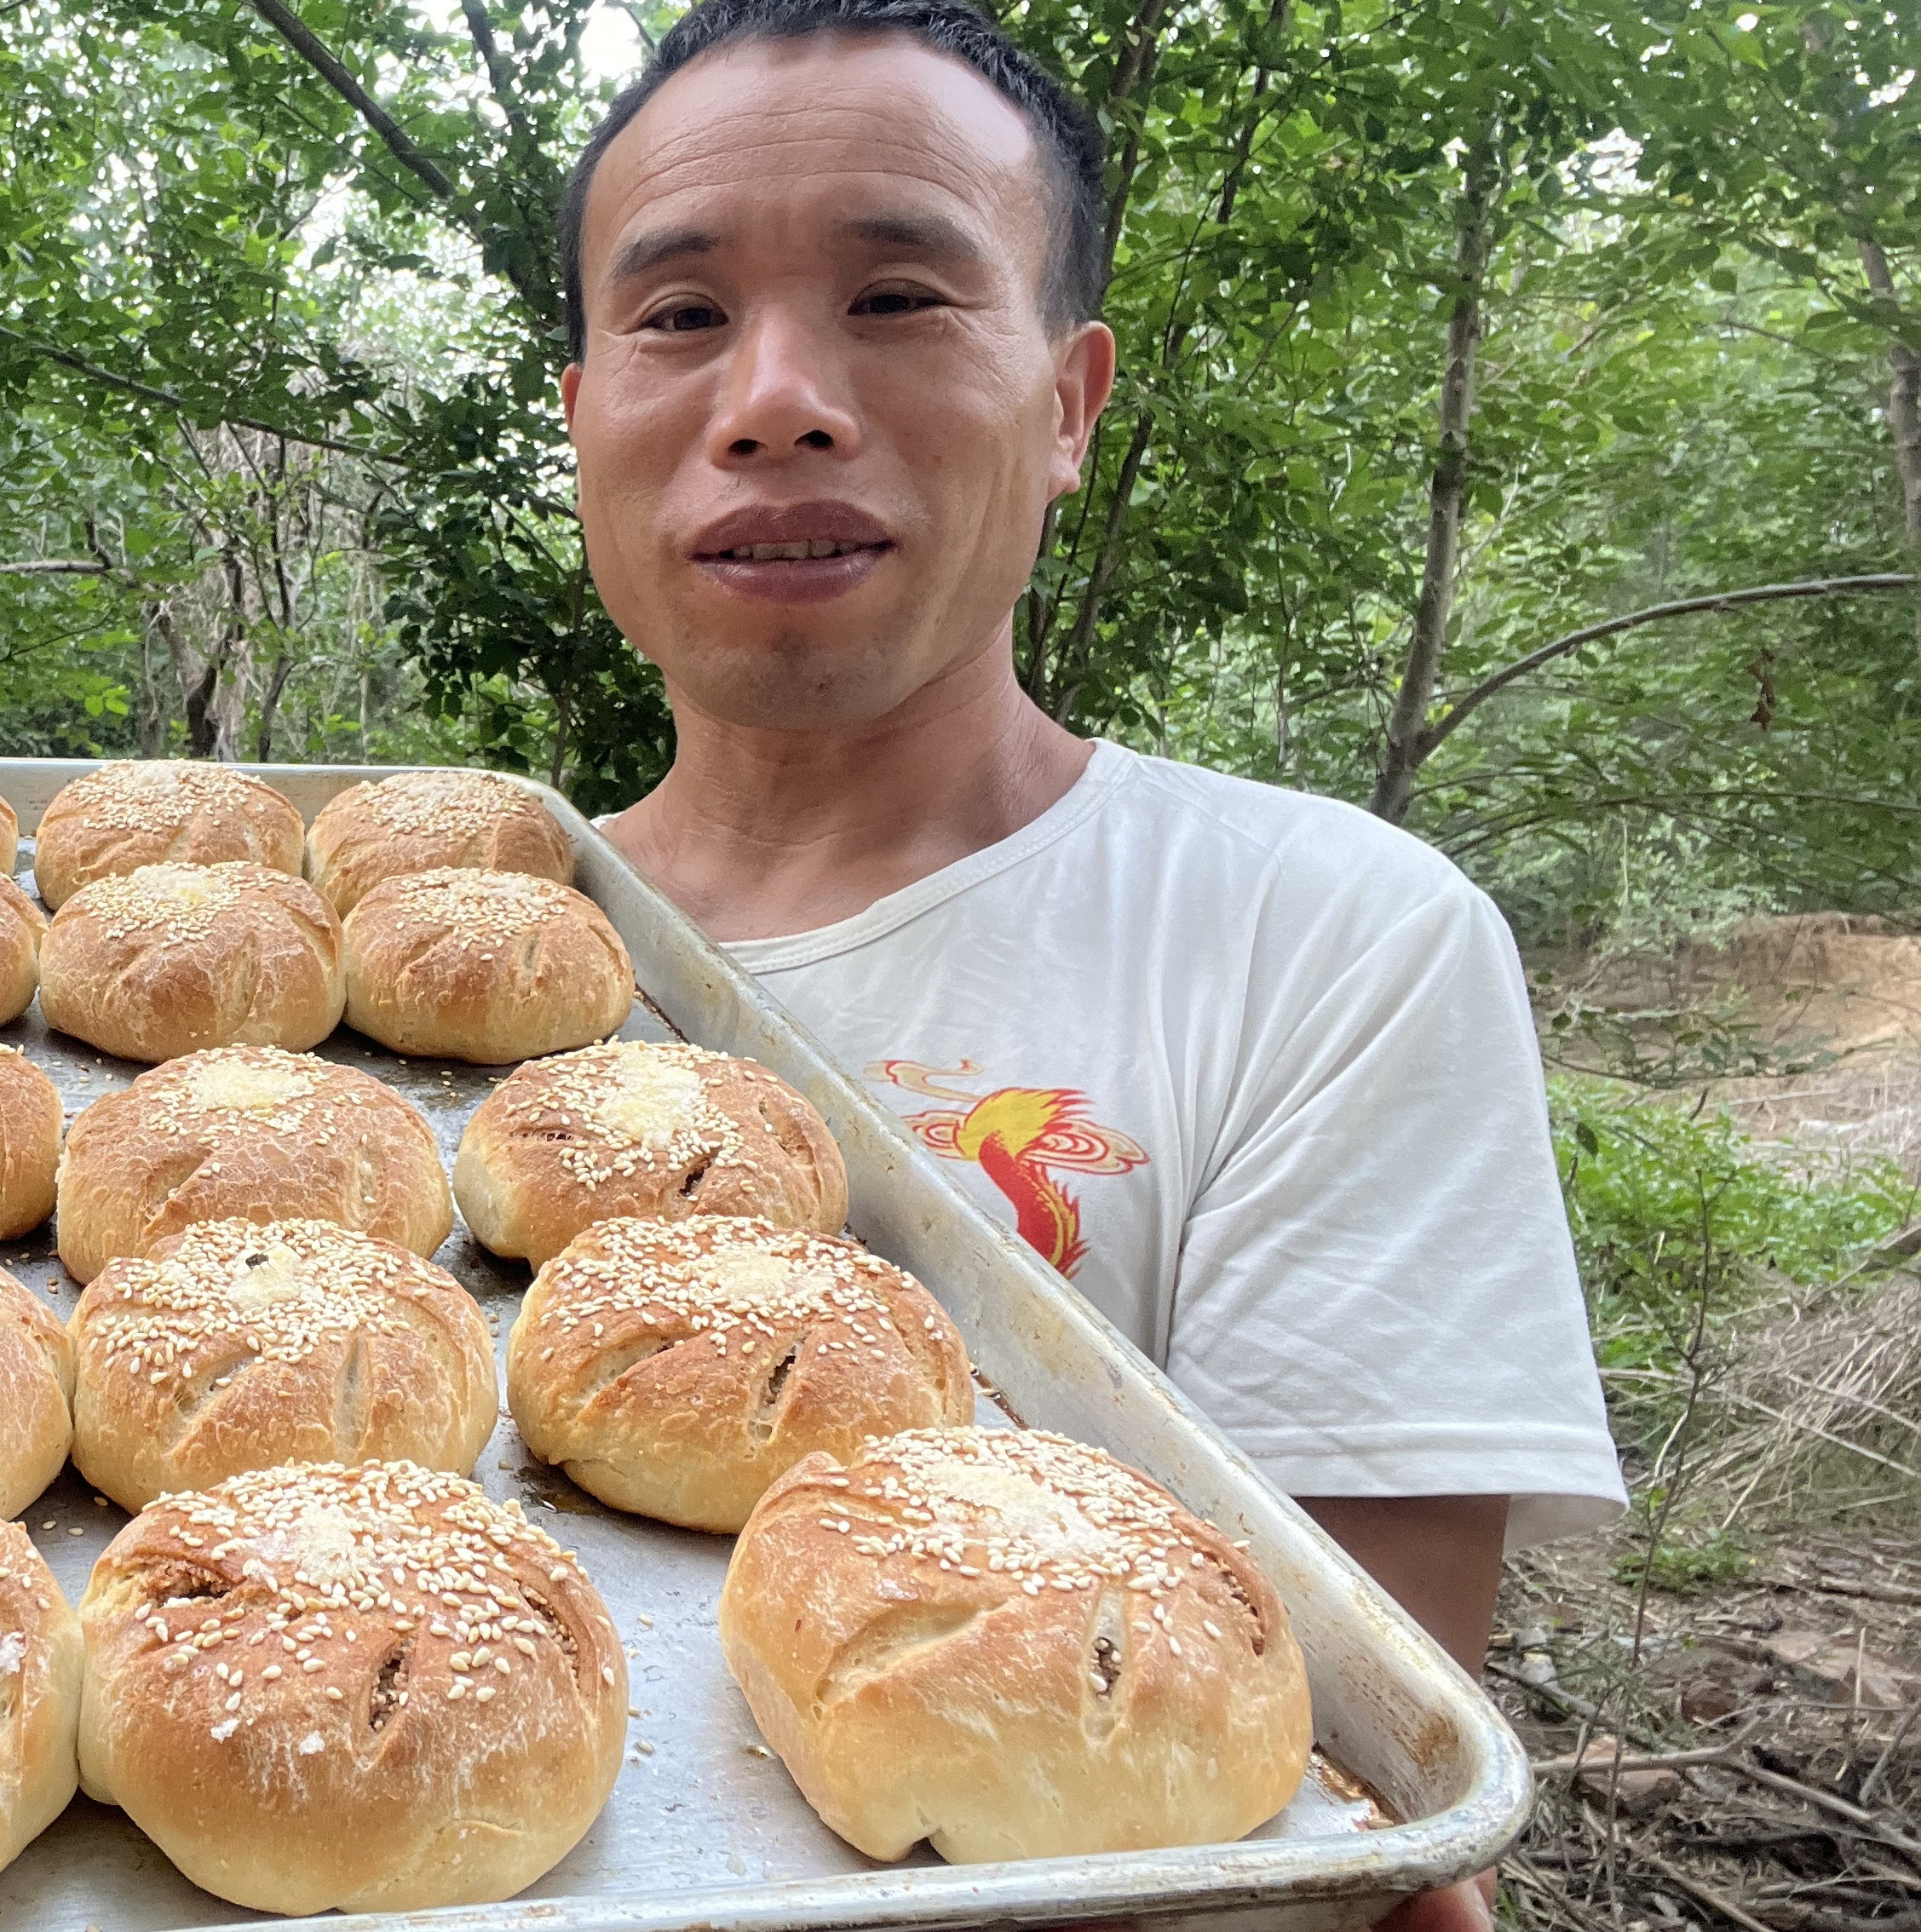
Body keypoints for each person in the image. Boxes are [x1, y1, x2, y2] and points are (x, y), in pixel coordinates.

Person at [558, 3, 1620, 1920]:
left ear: (1068, 403)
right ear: (582, 417)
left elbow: (1295, 1795)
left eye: (898, 296)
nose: (776, 398)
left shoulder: (1323, 946)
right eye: (681, 315)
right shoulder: (462, 975)